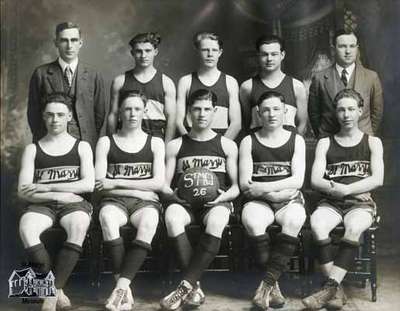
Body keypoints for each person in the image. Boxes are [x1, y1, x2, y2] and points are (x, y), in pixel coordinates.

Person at [302, 89, 384, 310]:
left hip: (361, 204)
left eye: (350, 109)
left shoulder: (372, 142)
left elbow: (377, 179)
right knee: (318, 224)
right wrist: (348, 190)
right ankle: (336, 291)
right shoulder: (325, 143)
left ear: (360, 111)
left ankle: (327, 289)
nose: (346, 114)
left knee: (354, 226)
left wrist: (344, 190)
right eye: (341, 110)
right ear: (335, 113)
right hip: (331, 202)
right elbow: (316, 180)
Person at [160, 89, 239, 310]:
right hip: (184, 202)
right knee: (172, 217)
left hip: (215, 203)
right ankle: (194, 287)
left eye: (206, 109)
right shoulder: (175, 145)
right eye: (196, 109)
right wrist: (173, 195)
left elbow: (236, 186)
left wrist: (225, 197)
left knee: (217, 220)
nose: (201, 114)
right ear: (188, 112)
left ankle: (184, 286)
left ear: (214, 111)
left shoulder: (226, 145)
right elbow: (165, 185)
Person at [18, 93, 95, 311]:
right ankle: (55, 291)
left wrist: (47, 186)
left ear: (69, 116)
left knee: (79, 224)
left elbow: (87, 185)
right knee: (27, 229)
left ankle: (50, 295)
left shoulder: (82, 147)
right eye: (50, 115)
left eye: (60, 115)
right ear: (43, 116)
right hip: (42, 204)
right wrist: (57, 195)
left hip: (74, 204)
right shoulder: (33, 149)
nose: (55, 120)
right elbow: (23, 192)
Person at [95, 91, 165, 310]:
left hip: (143, 205)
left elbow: (158, 183)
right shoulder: (106, 142)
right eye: (127, 109)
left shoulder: (155, 143)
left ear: (145, 111)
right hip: (115, 202)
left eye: (137, 109)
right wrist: (139, 190)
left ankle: (120, 288)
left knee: (150, 221)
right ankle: (124, 290)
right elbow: (100, 184)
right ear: (120, 113)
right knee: (107, 217)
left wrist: (115, 182)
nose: (132, 114)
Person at [239, 91, 306, 310]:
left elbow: (297, 180)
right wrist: (272, 193)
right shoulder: (249, 140)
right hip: (261, 201)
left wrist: (266, 188)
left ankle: (265, 286)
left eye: (276, 109)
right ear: (258, 113)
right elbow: (246, 184)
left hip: (288, 199)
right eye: (266, 110)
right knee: (252, 221)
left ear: (285, 111)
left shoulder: (297, 140)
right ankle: (273, 287)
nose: (271, 114)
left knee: (295, 220)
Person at [27, 22, 106, 149]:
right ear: (56, 43)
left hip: (84, 142)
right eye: (64, 40)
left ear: (80, 43)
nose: (69, 46)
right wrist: (43, 137)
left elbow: (99, 114)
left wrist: (88, 136)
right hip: (50, 141)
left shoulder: (93, 75)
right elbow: (33, 113)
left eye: (74, 40)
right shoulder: (41, 74)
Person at [308, 29, 383, 138]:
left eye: (352, 46)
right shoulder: (319, 78)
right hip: (330, 140)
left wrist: (366, 134)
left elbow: (377, 112)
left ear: (357, 48)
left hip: (363, 141)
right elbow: (314, 114)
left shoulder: (371, 77)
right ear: (333, 49)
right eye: (342, 46)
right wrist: (323, 136)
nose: (348, 51)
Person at [107, 32, 176, 142]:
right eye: (139, 51)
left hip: (156, 140)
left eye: (148, 51)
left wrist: (167, 148)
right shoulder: (120, 81)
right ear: (132, 53)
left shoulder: (166, 83)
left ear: (155, 52)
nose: (143, 56)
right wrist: (112, 142)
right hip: (126, 139)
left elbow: (171, 119)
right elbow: (113, 115)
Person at [175, 32, 241, 140]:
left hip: (221, 142)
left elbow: (236, 124)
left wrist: (222, 146)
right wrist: (189, 144)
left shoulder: (230, 82)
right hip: (191, 142)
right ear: (197, 51)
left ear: (220, 52)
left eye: (214, 50)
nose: (210, 54)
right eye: (205, 50)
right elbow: (178, 122)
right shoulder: (186, 81)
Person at [240, 35, 308, 136]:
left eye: (274, 54)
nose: (269, 59)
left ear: (282, 55)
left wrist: (292, 145)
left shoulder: (297, 86)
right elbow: (246, 124)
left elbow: (302, 124)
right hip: (258, 148)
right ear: (258, 55)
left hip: (289, 149)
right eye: (264, 54)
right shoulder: (247, 87)